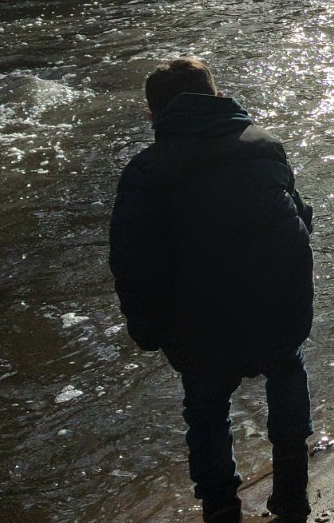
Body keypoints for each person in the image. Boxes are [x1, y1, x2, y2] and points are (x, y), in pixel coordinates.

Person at [109, 58, 316, 523]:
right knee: (285, 375)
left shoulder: (146, 172)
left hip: (200, 326)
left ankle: (221, 508)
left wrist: (146, 329)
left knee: (205, 410)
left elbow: (132, 261)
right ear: (218, 95)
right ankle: (292, 494)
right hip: (277, 309)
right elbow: (300, 218)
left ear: (154, 114)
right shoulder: (264, 145)